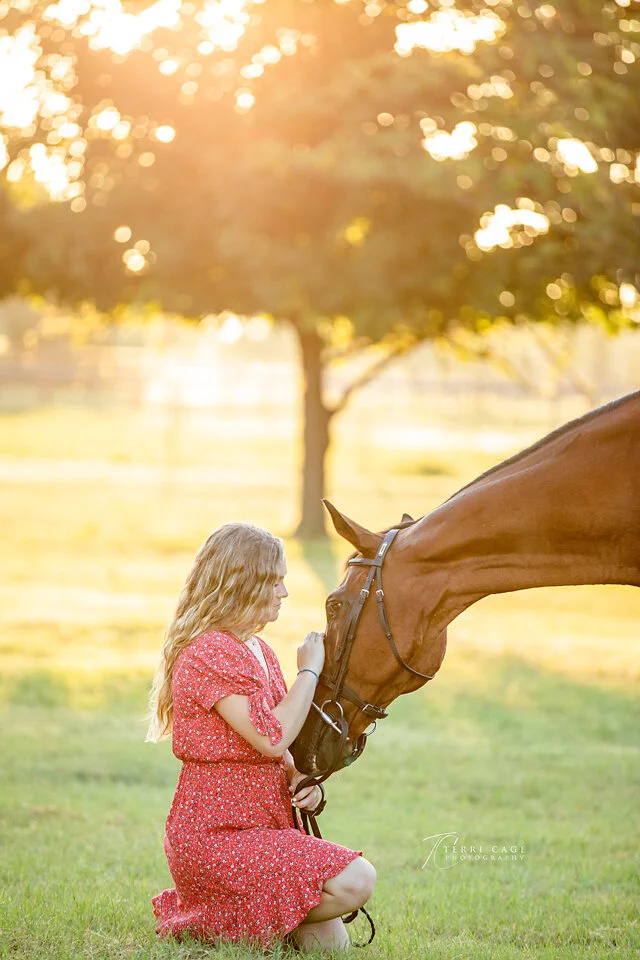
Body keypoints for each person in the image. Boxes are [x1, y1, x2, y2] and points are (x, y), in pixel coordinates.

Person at [146, 522, 376, 952]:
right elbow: (270, 737)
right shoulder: (210, 651)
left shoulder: (258, 649)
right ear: (240, 582)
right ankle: (216, 922)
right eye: (274, 580)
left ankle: (253, 924)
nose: (283, 593)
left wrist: (295, 778)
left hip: (264, 825)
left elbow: (277, 748)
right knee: (357, 880)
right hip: (217, 835)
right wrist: (309, 669)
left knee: (333, 950)